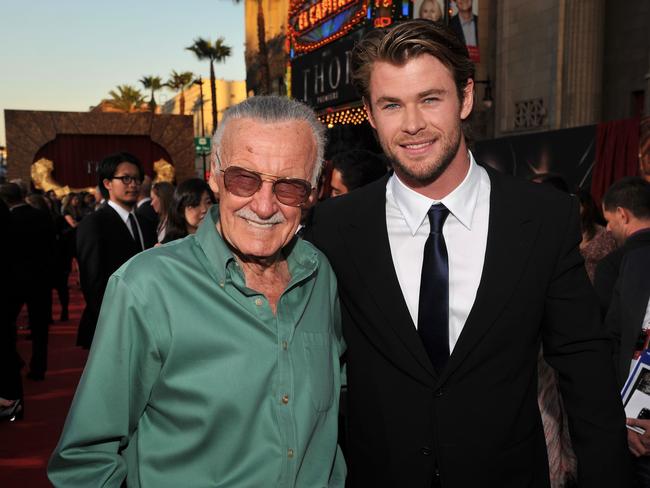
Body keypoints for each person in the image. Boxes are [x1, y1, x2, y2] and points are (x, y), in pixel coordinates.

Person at [306, 20, 629, 487]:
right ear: (371, 115)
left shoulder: (541, 216)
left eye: (430, 99)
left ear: (466, 98)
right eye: (391, 104)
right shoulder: (335, 226)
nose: (412, 124)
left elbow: (583, 365)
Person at [48, 96, 346, 487]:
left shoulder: (319, 274)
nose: (264, 205)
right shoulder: (147, 286)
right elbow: (84, 461)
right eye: (245, 179)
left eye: (289, 187)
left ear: (311, 193)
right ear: (214, 177)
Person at [75, 152, 157, 349]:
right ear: (107, 183)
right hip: (110, 327)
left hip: (146, 323)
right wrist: (114, 323)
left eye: (137, 179)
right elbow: (93, 283)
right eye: (126, 178)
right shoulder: (94, 223)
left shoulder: (145, 223)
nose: (133, 184)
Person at [0, 183, 56, 381]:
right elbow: (52, 247)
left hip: (12, 282)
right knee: (40, 329)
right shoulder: (42, 216)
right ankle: (39, 367)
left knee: (7, 326)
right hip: (40, 280)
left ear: (5, 200)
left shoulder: (7, 220)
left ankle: (14, 361)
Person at [594, 177, 650, 317]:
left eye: (608, 220)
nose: (607, 228)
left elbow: (608, 327)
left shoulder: (611, 266)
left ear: (622, 214)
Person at [576, 188, 616, 284]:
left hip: (597, 288)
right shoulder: (566, 231)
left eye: (576, 205)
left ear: (585, 206)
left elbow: (612, 263)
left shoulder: (604, 234)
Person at [160, 178, 214, 243]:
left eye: (208, 202)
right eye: (195, 204)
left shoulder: (219, 240)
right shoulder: (170, 247)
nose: (204, 209)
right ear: (181, 210)